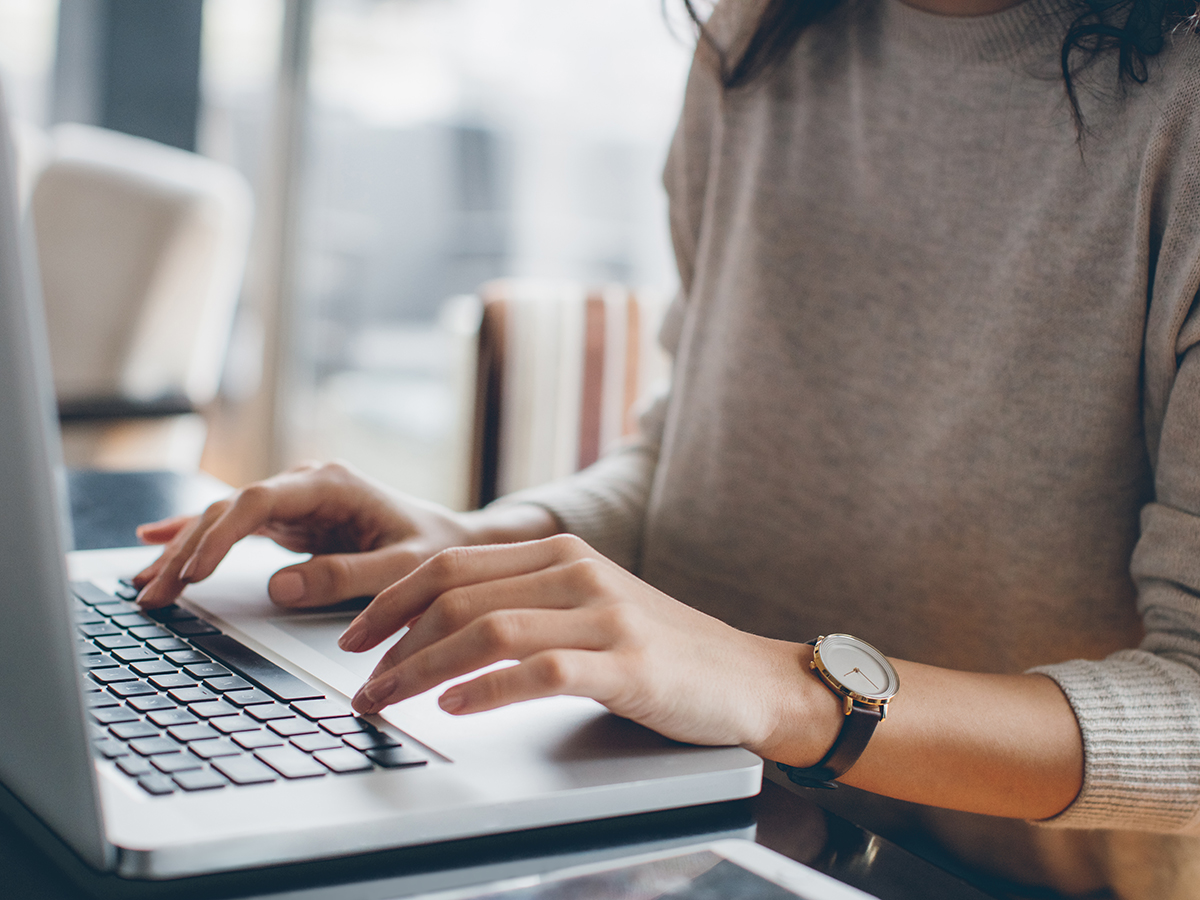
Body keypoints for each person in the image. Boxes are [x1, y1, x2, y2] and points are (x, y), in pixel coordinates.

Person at [134, 0, 1200, 895]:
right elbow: (689, 451)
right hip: (697, 839)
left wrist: (786, 693)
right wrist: (492, 542)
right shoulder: (762, 35)